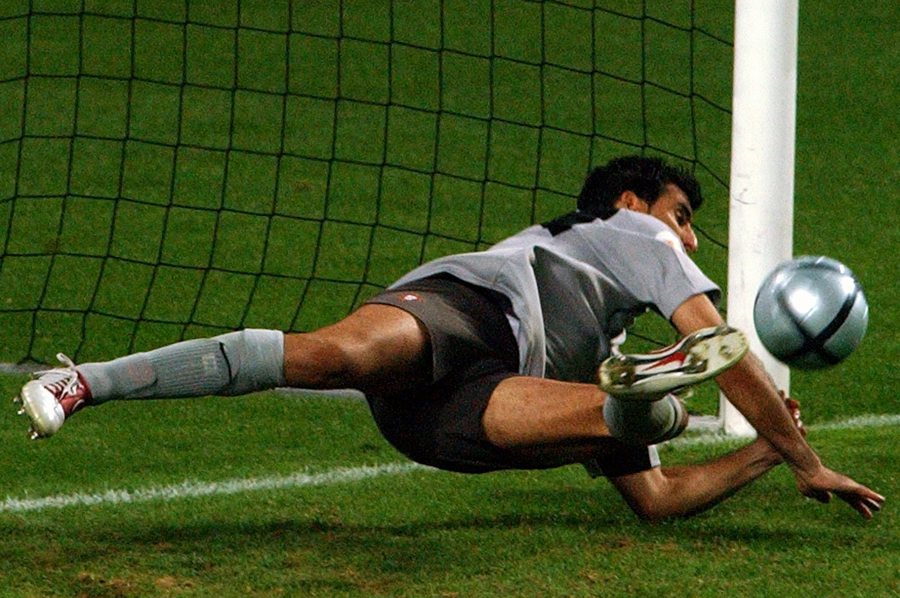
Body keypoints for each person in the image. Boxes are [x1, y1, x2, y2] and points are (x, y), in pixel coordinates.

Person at [15, 155, 883, 521]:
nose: (689, 237)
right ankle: (83, 380)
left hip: (454, 415)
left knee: (625, 420)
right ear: (633, 204)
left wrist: (763, 456)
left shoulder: (602, 338)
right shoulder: (633, 235)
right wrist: (803, 456)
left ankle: (645, 404)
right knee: (338, 356)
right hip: (470, 309)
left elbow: (658, 501)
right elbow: (720, 342)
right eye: (682, 215)